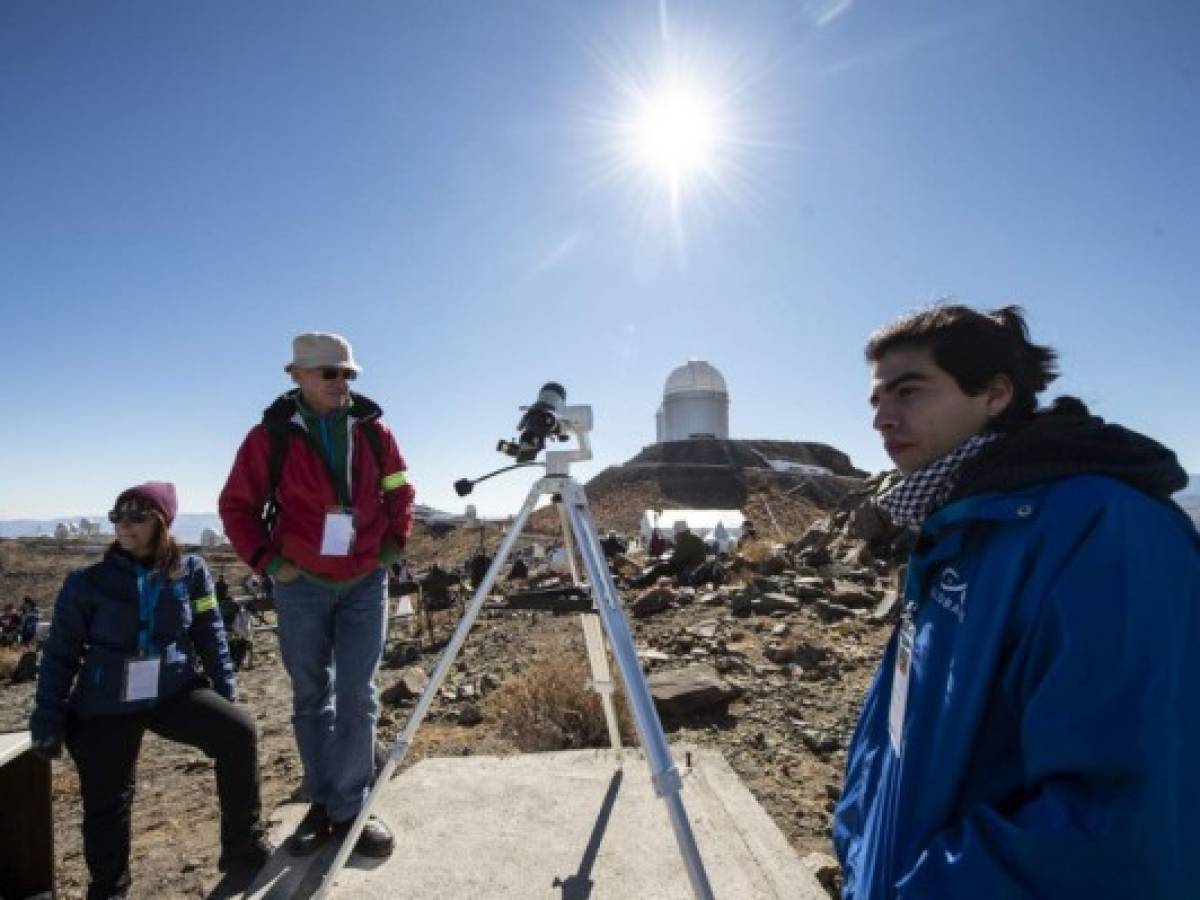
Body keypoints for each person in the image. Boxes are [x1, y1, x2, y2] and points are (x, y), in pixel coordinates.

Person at [834, 305, 1200, 898]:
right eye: (876, 400)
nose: (882, 418)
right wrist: (859, 843)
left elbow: (1117, 820)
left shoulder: (1105, 533)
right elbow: (905, 727)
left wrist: (920, 890)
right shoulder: (962, 522)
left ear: (996, 395)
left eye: (908, 391)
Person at [219, 332, 415, 858]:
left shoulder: (376, 433)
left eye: (348, 373)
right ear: (298, 377)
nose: (341, 382)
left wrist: (394, 544)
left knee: (359, 694)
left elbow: (400, 490)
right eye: (329, 373)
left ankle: (349, 805)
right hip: (301, 584)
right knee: (312, 696)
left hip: (363, 582)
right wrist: (269, 563)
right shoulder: (269, 438)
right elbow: (236, 507)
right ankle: (323, 800)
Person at [29, 482, 271, 899]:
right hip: (104, 703)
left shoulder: (190, 571)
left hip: (171, 689)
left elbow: (209, 631)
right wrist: (48, 718)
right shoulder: (86, 582)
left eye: (137, 515)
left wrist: (225, 689)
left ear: (162, 522)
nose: (124, 524)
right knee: (108, 802)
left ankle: (242, 847)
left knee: (238, 732)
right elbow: (60, 655)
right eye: (117, 515)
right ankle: (109, 890)